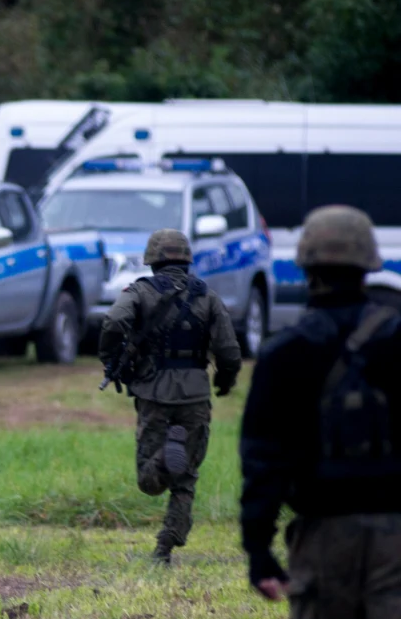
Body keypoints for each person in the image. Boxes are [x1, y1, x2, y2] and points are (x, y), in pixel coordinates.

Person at [240, 205, 401, 617]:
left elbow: (263, 461)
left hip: (323, 535)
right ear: (368, 266)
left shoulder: (284, 353)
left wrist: (258, 549)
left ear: (306, 267)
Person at [99, 229, 241, 564]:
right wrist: (224, 381)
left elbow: (113, 321)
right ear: (187, 259)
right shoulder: (208, 296)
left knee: (149, 481)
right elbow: (229, 350)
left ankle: (164, 458)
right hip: (195, 393)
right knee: (186, 478)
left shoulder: (139, 292)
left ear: (152, 260)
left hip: (154, 392)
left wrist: (110, 358)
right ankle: (165, 547)